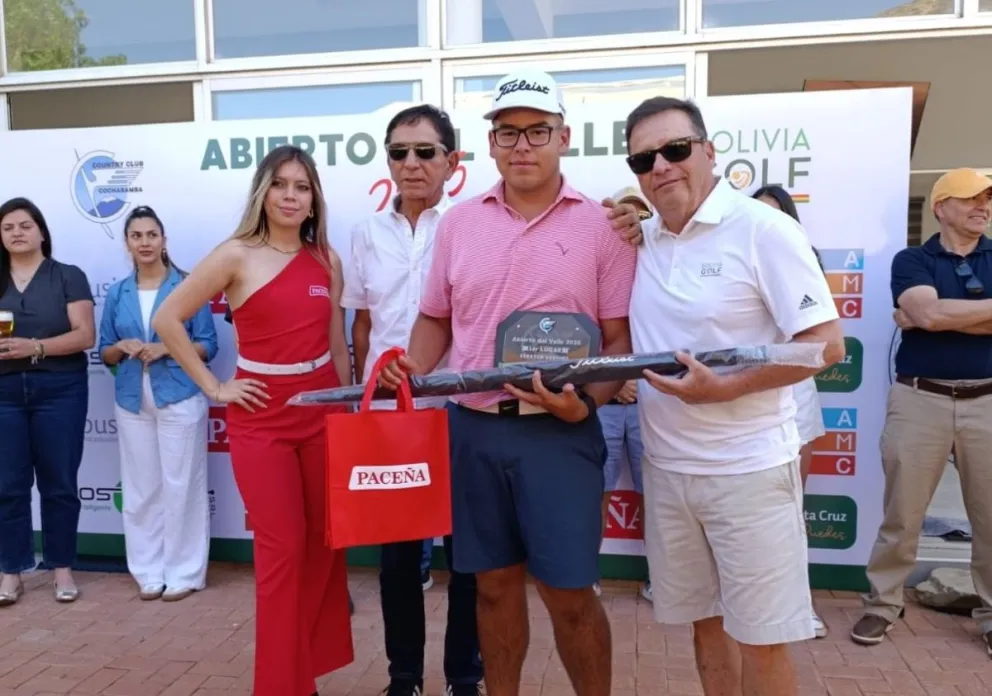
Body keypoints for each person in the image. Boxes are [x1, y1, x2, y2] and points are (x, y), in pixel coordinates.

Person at [380, 69, 637, 696]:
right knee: (491, 589)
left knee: (570, 593)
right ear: (490, 144)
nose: (523, 145)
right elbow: (436, 317)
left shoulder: (605, 226)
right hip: (472, 430)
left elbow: (620, 342)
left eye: (537, 131)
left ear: (564, 138)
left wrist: (585, 407)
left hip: (561, 434)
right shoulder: (460, 225)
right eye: (508, 132)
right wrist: (414, 366)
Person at [622, 96, 844, 695]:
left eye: (675, 150)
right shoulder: (638, 240)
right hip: (667, 471)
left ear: (708, 151)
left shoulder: (764, 230)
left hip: (750, 471)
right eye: (645, 159)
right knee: (705, 627)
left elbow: (825, 347)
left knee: (763, 640)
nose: (661, 166)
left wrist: (723, 388)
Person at [152, 145, 354, 696]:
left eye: (303, 186)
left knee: (321, 546)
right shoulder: (235, 254)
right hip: (260, 418)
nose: (291, 195)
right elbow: (167, 318)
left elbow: (336, 341)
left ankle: (302, 673)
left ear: (314, 200)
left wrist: (345, 406)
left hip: (321, 411)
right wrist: (216, 386)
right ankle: (279, 686)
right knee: (283, 550)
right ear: (262, 193)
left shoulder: (327, 260)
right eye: (281, 184)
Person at [342, 104, 483, 696]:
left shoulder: (474, 225)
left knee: (468, 559)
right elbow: (363, 325)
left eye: (425, 152)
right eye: (399, 152)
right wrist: (362, 399)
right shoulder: (365, 233)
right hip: (391, 421)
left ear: (452, 161)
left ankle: (464, 677)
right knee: (398, 561)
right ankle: (405, 678)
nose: (411, 164)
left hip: (463, 415)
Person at [851, 169, 992, 653]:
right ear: (941, 206)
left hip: (987, 401)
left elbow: (926, 316)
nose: (982, 205)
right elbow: (926, 314)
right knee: (902, 514)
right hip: (919, 400)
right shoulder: (913, 259)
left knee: (991, 518)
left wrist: (930, 318)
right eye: (970, 197)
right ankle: (882, 605)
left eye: (987, 198)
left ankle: (991, 616)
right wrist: (929, 318)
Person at [98, 205, 218, 602]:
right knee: (141, 489)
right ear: (127, 243)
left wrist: (167, 347)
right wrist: (121, 346)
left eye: (152, 235)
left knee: (182, 485)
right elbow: (105, 352)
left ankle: (183, 572)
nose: (145, 242)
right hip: (132, 399)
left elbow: (208, 346)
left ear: (164, 240)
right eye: (137, 236)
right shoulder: (117, 293)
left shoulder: (187, 285)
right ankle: (148, 571)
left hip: (180, 394)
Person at [0, 197, 95, 606]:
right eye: (8, 227)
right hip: (3, 394)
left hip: (60, 391)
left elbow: (84, 336)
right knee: (8, 487)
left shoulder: (68, 276)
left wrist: (34, 346)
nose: (17, 233)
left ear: (41, 231)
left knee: (59, 485)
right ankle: (11, 571)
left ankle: (61, 569)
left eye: (25, 225)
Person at [752, 184, 828, 638]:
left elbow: (821, 340)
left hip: (795, 398)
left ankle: (800, 608)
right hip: (740, 401)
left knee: (789, 509)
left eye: (775, 215)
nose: (764, 224)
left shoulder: (802, 262)